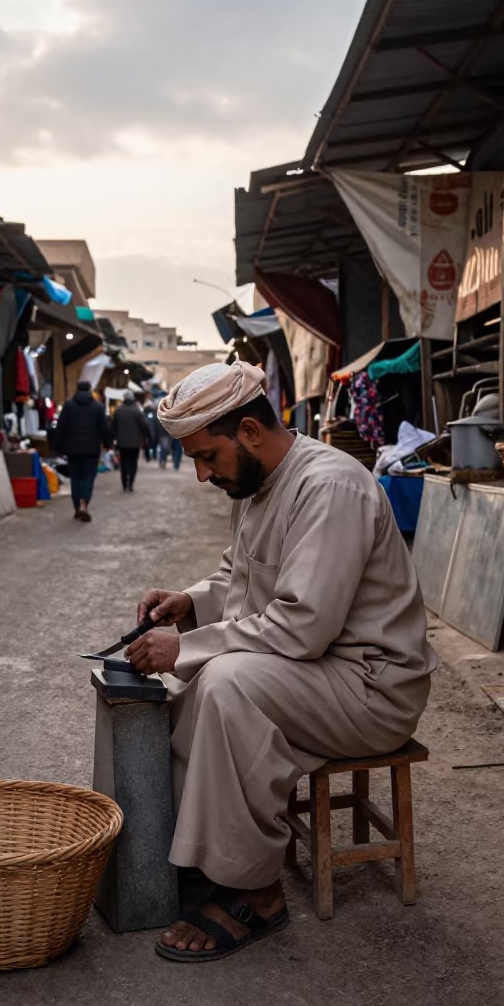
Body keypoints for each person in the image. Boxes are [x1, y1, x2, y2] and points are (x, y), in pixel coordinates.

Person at [124, 361, 437, 963]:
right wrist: (190, 602)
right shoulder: (253, 481)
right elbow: (239, 578)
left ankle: (253, 890)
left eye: (207, 457)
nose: (201, 474)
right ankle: (203, 854)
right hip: (317, 672)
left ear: (247, 431)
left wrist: (184, 648)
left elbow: (303, 625)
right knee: (191, 696)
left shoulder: (329, 488)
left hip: (374, 688)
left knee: (224, 683)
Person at [52, 380, 111, 522]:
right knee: (88, 478)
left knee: (75, 479)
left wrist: (56, 446)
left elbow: (61, 427)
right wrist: (108, 443)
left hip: (73, 450)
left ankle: (77, 507)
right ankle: (84, 504)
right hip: (91, 449)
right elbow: (104, 428)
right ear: (90, 389)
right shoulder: (98, 407)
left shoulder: (68, 406)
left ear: (76, 389)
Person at [113, 391, 149, 492]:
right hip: (135, 443)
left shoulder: (118, 410)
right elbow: (144, 426)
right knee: (133, 463)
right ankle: (131, 483)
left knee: (124, 464)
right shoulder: (137, 411)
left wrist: (112, 439)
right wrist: (146, 437)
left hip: (122, 443)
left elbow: (113, 427)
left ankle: (124, 483)